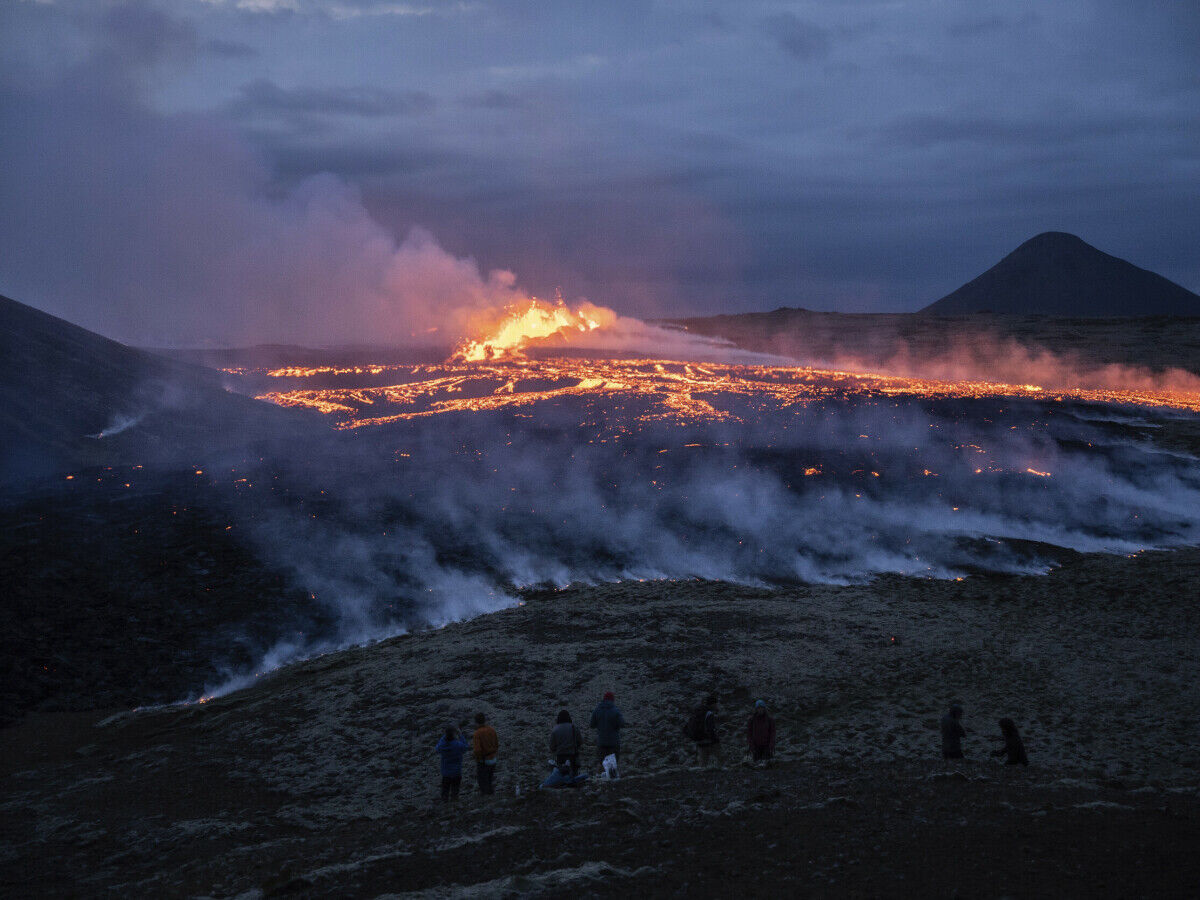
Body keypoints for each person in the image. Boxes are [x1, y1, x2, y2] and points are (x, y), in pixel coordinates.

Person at [589, 691, 626, 770]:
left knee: (603, 765)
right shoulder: (615, 710)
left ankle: (604, 779)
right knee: (613, 766)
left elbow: (592, 725)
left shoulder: (597, 710)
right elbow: (622, 724)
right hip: (614, 742)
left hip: (601, 742)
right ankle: (613, 780)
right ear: (612, 700)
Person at [436, 725, 469, 802]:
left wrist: (444, 737)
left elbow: (437, 748)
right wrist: (460, 735)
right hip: (456, 771)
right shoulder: (457, 745)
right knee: (455, 789)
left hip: (446, 772)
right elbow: (465, 747)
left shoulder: (442, 746)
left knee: (445, 789)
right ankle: (454, 802)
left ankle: (445, 803)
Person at [687, 694, 721, 768]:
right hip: (708, 740)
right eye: (716, 703)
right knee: (719, 758)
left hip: (699, 741)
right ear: (713, 704)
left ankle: (702, 777)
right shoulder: (709, 714)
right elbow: (710, 729)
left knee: (702, 763)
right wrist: (715, 739)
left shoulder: (698, 712)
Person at [472, 712, 499, 794]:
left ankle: (485, 797)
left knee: (483, 780)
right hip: (493, 758)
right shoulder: (492, 730)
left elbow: (477, 750)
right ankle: (491, 795)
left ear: (476, 722)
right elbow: (496, 744)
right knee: (490, 779)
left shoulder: (477, 733)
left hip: (484, 760)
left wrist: (477, 758)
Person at [549, 709, 582, 776]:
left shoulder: (555, 729)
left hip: (560, 755)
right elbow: (580, 741)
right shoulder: (574, 727)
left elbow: (552, 746)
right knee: (573, 775)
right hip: (572, 754)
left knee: (562, 774)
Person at [746, 699, 776, 764]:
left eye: (762, 708)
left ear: (764, 708)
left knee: (766, 765)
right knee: (756, 765)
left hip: (767, 746)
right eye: (759, 708)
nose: (760, 710)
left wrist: (771, 745)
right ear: (756, 709)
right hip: (755, 747)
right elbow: (749, 734)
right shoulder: (751, 720)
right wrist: (751, 746)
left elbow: (772, 733)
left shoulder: (770, 719)